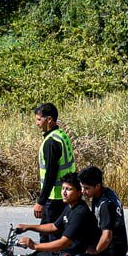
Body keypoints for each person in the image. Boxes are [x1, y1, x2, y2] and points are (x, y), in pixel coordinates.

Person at [33, 103, 75, 242]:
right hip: (66, 195)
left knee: (48, 236)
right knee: (61, 233)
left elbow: (50, 174)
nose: (37, 123)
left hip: (55, 198)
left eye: (39, 119)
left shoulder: (51, 142)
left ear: (49, 119)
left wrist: (41, 201)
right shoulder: (62, 135)